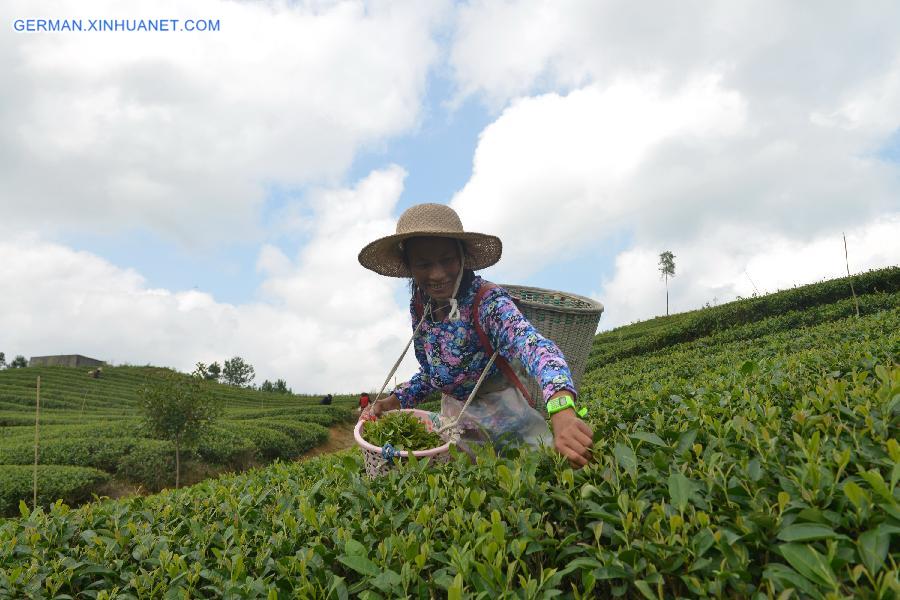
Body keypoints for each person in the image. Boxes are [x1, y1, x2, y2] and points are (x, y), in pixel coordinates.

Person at [357, 203, 593, 468]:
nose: (436, 274)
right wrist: (395, 401)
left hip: (506, 425)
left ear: (461, 257)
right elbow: (434, 372)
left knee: (529, 484)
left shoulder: (487, 301)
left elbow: (534, 347)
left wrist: (562, 408)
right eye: (423, 264)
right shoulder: (421, 306)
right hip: (454, 427)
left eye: (446, 260)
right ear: (409, 266)